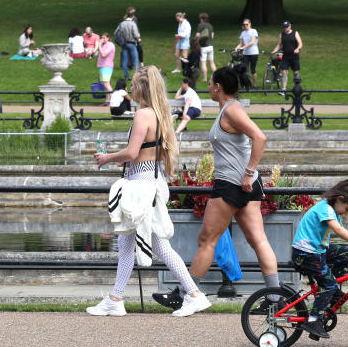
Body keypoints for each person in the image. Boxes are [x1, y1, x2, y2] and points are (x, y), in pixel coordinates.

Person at [171, 64, 283, 317]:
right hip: (243, 184)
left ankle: (187, 295)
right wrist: (249, 174)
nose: (208, 86)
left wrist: (247, 171)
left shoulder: (231, 109)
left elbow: (260, 137)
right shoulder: (230, 109)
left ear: (218, 86)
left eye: (210, 82)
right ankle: (275, 298)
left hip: (232, 184)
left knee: (207, 240)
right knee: (258, 240)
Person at [89, 66, 197, 316]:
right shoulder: (159, 115)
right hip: (149, 179)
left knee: (153, 245)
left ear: (142, 89)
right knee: (130, 242)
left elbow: (132, 153)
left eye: (133, 85)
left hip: (140, 183)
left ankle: (193, 293)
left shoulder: (143, 115)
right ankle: (115, 298)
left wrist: (107, 157)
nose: (130, 89)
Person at [291, 179, 348, 339]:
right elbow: (338, 230)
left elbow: (343, 229)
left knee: (346, 254)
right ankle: (313, 320)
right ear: (339, 198)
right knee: (329, 283)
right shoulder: (325, 209)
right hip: (306, 254)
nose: (346, 212)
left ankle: (330, 290)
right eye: (347, 208)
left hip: (316, 251)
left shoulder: (332, 210)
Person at [271, 20, 302, 92]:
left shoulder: (295, 33)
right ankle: (283, 89)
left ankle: (297, 87)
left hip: (294, 56)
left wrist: (298, 48)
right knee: (284, 72)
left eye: (287, 27)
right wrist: (274, 51)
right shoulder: (282, 34)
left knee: (296, 73)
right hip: (285, 57)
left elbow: (300, 43)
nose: (285, 28)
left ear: (290, 26)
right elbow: (279, 45)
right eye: (284, 27)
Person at [116, 7, 141, 78]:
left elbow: (116, 32)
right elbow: (136, 34)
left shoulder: (121, 24)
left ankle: (126, 76)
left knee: (124, 61)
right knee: (135, 60)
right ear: (133, 16)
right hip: (132, 43)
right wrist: (138, 38)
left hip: (124, 43)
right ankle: (136, 76)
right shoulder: (133, 24)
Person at [235, 18, 260, 86]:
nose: (246, 26)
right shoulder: (243, 33)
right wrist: (236, 48)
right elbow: (240, 43)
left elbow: (252, 42)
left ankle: (255, 85)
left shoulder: (253, 31)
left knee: (253, 70)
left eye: (247, 24)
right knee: (244, 70)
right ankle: (246, 84)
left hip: (253, 53)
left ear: (250, 24)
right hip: (245, 54)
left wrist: (243, 47)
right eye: (244, 24)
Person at [197, 12, 215, 83]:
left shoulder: (200, 25)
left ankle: (205, 78)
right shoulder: (210, 25)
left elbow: (198, 35)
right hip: (211, 46)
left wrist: (195, 40)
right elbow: (212, 36)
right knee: (211, 62)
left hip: (203, 46)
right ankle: (215, 77)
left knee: (203, 63)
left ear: (201, 18)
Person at [97, 31, 116, 102]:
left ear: (108, 38)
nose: (102, 39)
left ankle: (115, 100)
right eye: (101, 38)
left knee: (106, 84)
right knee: (106, 84)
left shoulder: (110, 45)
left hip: (106, 66)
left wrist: (99, 45)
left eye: (104, 38)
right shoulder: (103, 45)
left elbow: (104, 54)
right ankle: (107, 101)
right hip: (103, 66)